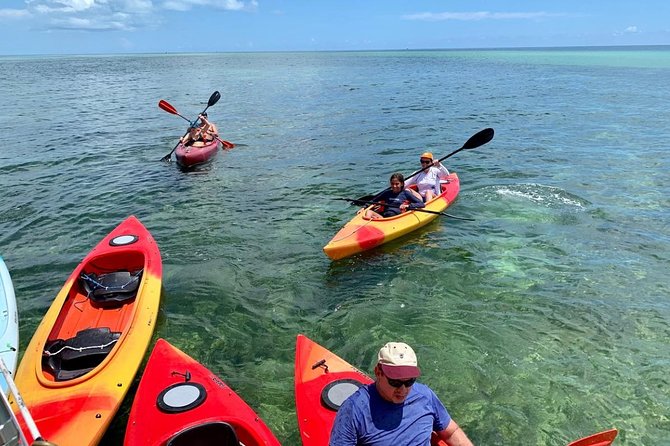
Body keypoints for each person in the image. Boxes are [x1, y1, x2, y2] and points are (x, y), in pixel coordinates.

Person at [329, 342, 474, 446]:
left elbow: (451, 432)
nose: (403, 390)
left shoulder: (425, 396)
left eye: (409, 381)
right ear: (378, 372)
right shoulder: (354, 409)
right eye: (395, 382)